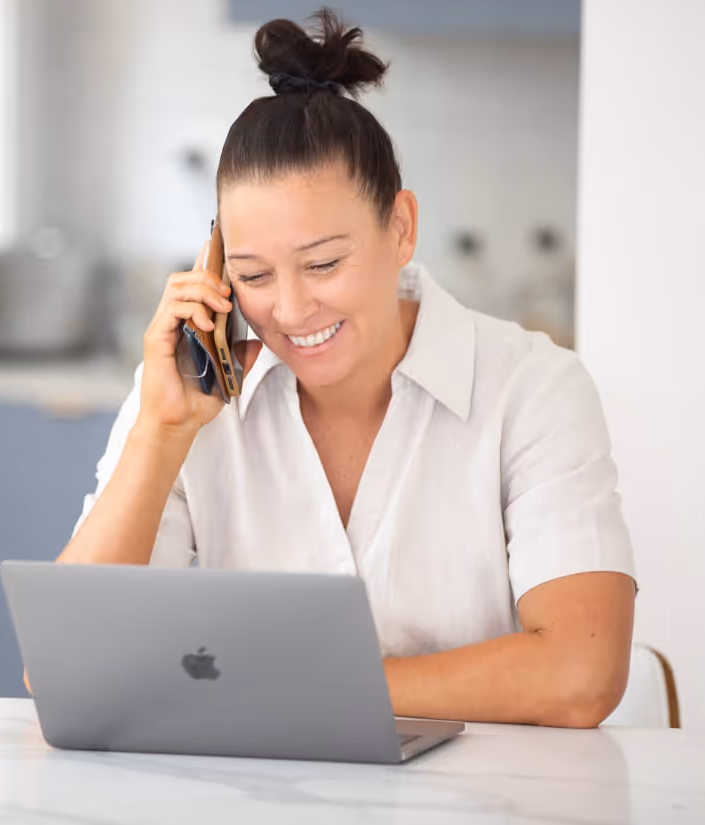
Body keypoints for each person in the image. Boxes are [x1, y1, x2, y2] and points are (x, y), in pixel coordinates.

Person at [47, 9, 636, 728]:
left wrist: (306, 687)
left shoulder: (533, 389)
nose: (291, 309)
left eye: (323, 263)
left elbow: (581, 674)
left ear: (401, 227)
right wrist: (159, 435)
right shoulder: (187, 399)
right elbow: (63, 667)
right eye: (253, 274)